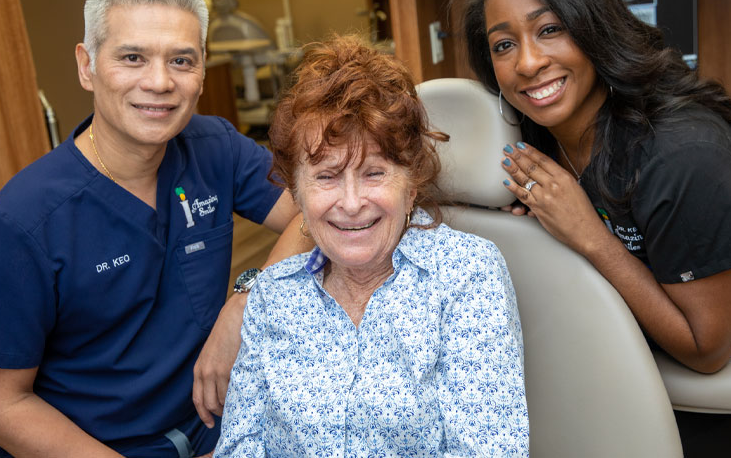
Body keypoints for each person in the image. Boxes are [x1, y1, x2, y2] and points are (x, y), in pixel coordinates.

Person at [0, 0, 306, 457]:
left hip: (214, 430)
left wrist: (245, 305)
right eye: (132, 57)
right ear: (87, 65)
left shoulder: (215, 148)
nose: (160, 82)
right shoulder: (23, 222)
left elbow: (316, 214)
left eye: (181, 60)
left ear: (203, 69)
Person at [463, 0, 731, 456]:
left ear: (595, 28)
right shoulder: (536, 139)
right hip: (624, 354)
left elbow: (708, 350)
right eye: (503, 45)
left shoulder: (682, 156)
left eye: (550, 29)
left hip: (730, 375)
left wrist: (589, 237)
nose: (528, 63)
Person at [212, 35, 529, 457]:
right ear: (297, 193)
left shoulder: (466, 274)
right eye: (326, 176)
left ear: (411, 183)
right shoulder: (272, 296)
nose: (351, 202)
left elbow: (490, 450)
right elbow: (241, 447)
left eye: (374, 172)